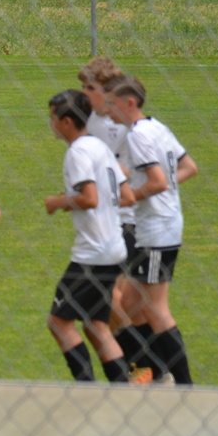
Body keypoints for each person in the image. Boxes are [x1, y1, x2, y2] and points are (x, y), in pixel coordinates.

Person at [105, 74, 199, 386]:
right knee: (128, 305)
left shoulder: (137, 135)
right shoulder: (158, 127)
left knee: (156, 310)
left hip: (158, 229)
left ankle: (184, 386)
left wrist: (131, 194)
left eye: (112, 104)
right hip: (161, 225)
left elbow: (158, 182)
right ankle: (154, 373)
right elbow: (188, 168)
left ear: (129, 103)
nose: (108, 110)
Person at [42, 90, 134, 383]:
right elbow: (127, 195)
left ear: (66, 121)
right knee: (96, 325)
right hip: (114, 246)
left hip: (92, 253)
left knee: (58, 322)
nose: (50, 123)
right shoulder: (99, 146)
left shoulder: (78, 152)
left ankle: (86, 388)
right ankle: (121, 386)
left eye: (52, 118)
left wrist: (59, 202)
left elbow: (90, 198)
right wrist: (76, 198)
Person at [78, 57, 153, 382]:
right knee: (115, 301)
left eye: (90, 88)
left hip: (126, 219)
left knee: (109, 300)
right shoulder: (91, 118)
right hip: (103, 218)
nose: (84, 94)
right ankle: (145, 364)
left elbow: (138, 168)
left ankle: (145, 364)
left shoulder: (124, 125)